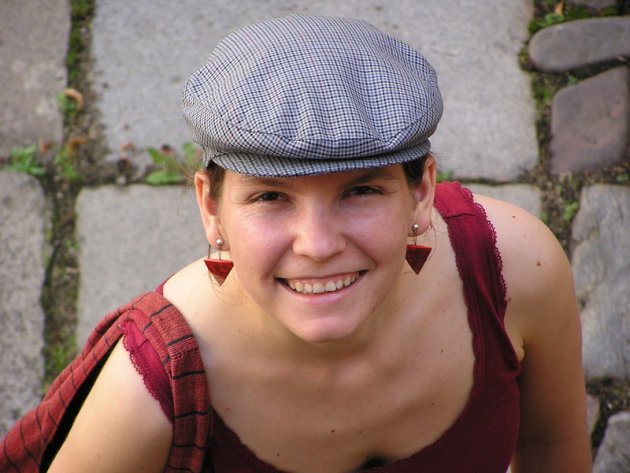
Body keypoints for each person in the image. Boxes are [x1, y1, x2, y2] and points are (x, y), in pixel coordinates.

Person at [1, 14, 591, 473]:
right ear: (211, 206)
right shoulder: (148, 390)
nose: (317, 245)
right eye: (270, 197)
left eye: (361, 190)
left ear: (421, 191)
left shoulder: (517, 270)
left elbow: (553, 446)